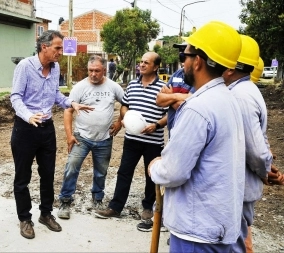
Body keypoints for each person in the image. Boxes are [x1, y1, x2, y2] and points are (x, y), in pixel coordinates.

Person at [149, 21, 246, 252]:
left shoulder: (197, 108)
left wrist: (155, 167)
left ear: (198, 61)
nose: (184, 62)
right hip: (217, 224)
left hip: (197, 232)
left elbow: (174, 172)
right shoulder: (228, 99)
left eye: (186, 56)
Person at [10, 30, 94, 239]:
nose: (60, 52)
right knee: (23, 177)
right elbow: (16, 97)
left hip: (46, 129)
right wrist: (29, 116)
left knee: (47, 174)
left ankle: (45, 214)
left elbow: (55, 94)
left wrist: (71, 103)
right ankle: (25, 218)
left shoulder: (55, 68)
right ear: (44, 47)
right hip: (26, 128)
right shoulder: (25, 67)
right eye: (57, 48)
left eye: (61, 48)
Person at [222, 35, 283, 253]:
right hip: (241, 186)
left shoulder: (240, 96)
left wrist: (266, 170)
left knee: (235, 244)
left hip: (240, 187)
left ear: (232, 65)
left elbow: (255, 150)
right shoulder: (241, 90)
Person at [94, 52, 167, 225]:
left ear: (155, 67)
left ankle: (148, 207)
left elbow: (170, 114)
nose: (141, 65)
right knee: (124, 172)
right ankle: (115, 207)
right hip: (132, 139)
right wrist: (126, 116)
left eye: (146, 63)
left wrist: (156, 125)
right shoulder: (133, 85)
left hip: (153, 141)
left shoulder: (164, 87)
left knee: (152, 175)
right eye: (141, 62)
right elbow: (124, 105)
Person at [137, 42, 196, 233]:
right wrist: (179, 98)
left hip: (188, 133)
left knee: (179, 177)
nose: (181, 55)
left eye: (185, 53)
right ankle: (165, 219)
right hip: (174, 133)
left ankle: (176, 226)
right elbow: (160, 100)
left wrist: (173, 98)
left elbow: (192, 107)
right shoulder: (177, 76)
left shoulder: (197, 80)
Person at [57, 55, 124, 219]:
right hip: (82, 137)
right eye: (90, 70)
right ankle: (65, 201)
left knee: (101, 172)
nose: (93, 74)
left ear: (104, 70)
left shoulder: (114, 87)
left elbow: (126, 103)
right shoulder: (80, 87)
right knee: (71, 167)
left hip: (105, 138)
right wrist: (69, 135)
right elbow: (68, 110)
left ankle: (97, 198)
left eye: (97, 71)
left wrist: (120, 122)